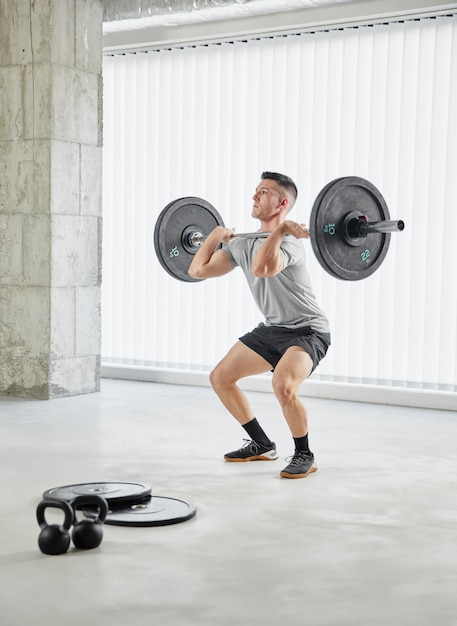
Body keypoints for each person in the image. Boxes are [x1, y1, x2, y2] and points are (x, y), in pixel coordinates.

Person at [188, 172, 331, 479]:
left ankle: (304, 453)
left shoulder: (292, 244)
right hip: (273, 328)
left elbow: (263, 268)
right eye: (255, 191)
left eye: (263, 192)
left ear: (282, 203)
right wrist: (214, 236)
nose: (254, 196)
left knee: (282, 386)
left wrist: (279, 232)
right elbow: (197, 269)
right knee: (220, 378)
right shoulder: (242, 244)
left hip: (308, 331)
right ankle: (261, 443)